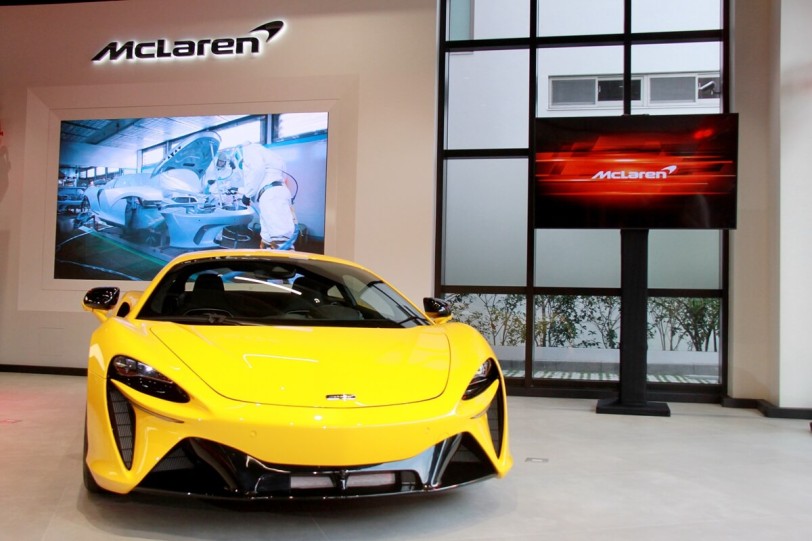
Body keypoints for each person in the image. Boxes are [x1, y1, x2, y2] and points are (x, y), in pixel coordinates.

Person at [235, 143, 298, 250]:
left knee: (280, 239)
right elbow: (274, 177)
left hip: (271, 197)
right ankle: (268, 256)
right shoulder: (271, 155)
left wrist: (247, 195)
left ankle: (281, 259)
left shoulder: (249, 149)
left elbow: (256, 171)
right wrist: (244, 192)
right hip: (278, 192)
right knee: (268, 237)